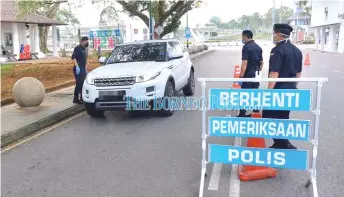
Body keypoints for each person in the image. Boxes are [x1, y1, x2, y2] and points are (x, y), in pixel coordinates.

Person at [263, 23, 303, 149]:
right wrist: (293, 86)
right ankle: (282, 142)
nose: (273, 36)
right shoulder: (297, 50)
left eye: (274, 33)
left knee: (270, 117)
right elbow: (298, 73)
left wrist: (268, 94)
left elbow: (274, 73)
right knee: (283, 116)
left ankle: (282, 143)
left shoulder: (277, 50)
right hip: (291, 88)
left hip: (278, 90)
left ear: (279, 34)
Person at [238, 30, 263, 117]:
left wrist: (241, 76)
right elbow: (261, 63)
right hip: (256, 74)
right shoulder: (258, 47)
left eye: (242, 37)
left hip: (248, 74)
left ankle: (242, 114)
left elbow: (244, 63)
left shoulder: (246, 47)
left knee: (245, 95)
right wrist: (258, 72)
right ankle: (256, 113)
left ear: (245, 37)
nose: (242, 39)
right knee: (255, 94)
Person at [71, 36, 89, 104]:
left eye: (87, 41)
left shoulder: (85, 48)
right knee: (79, 83)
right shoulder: (77, 48)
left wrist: (86, 67)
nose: (87, 42)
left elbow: (86, 58)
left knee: (83, 83)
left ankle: (82, 97)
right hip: (78, 68)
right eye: (86, 41)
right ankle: (76, 98)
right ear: (82, 41)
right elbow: (74, 57)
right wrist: (77, 66)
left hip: (83, 68)